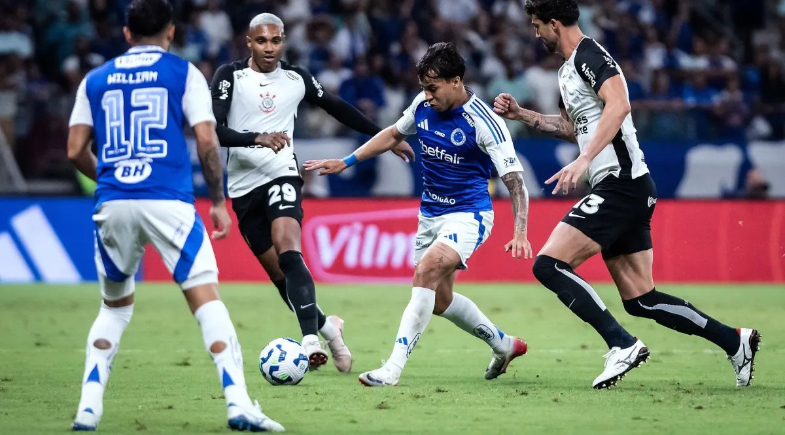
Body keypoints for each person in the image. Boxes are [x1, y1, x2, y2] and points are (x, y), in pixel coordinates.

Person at [493, 0, 759, 389]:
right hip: (629, 188)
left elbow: (620, 105)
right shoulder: (568, 71)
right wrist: (523, 115)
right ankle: (735, 341)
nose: (536, 34)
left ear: (554, 23)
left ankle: (622, 344)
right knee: (641, 299)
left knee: (548, 265)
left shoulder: (591, 54)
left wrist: (584, 161)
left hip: (621, 182)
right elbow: (574, 127)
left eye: (537, 26)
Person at [66, 0, 283, 431]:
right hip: (168, 200)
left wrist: (111, 177)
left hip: (113, 201)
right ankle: (239, 404)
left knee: (113, 308)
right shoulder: (184, 73)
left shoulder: (94, 79)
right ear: (170, 32)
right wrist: (219, 201)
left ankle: (88, 408)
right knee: (206, 301)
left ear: (126, 34)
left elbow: (74, 150)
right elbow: (206, 142)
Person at [305, 42, 531, 387]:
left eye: (433, 87)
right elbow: (393, 133)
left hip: (469, 214)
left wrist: (520, 232)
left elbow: (515, 183)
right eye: (424, 87)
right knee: (440, 301)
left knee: (425, 271)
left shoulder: (485, 123)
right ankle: (503, 344)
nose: (427, 95)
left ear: (456, 80)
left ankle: (392, 369)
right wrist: (347, 161)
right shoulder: (422, 105)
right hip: (430, 215)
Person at [210, 13, 410, 372]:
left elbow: (337, 108)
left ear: (283, 40)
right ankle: (330, 329)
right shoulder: (230, 76)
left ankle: (309, 341)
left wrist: (386, 137)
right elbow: (214, 130)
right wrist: (257, 137)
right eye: (261, 41)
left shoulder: (296, 78)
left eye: (275, 41)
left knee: (289, 248)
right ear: (249, 42)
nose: (268, 48)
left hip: (282, 172)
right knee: (280, 278)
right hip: (242, 187)